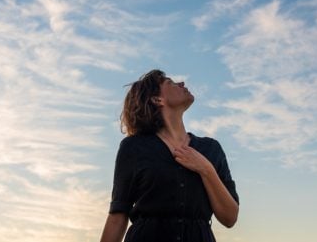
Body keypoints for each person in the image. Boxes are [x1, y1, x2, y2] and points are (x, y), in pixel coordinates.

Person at [100, 69, 239, 242]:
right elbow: (117, 216)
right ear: (157, 99)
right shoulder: (134, 147)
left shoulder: (211, 149)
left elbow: (230, 217)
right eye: (170, 83)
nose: (181, 84)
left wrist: (206, 169)